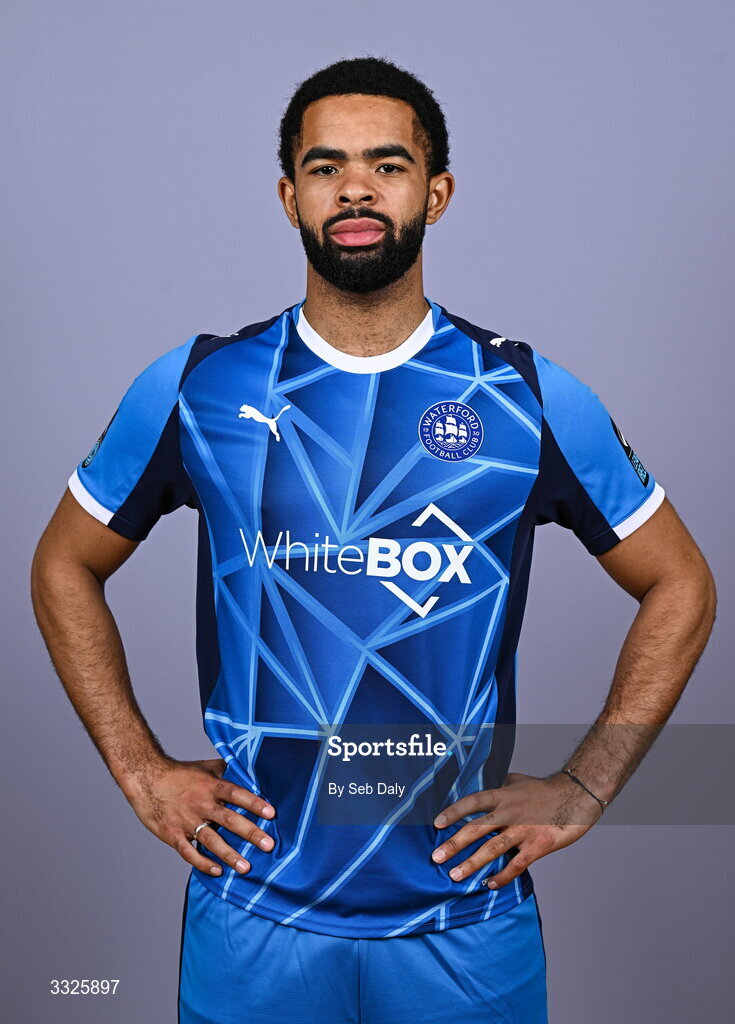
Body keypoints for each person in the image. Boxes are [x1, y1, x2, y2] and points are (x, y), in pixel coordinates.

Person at [31, 56, 717, 1024]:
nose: (355, 185)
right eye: (326, 166)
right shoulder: (197, 385)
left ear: (435, 193)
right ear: (289, 196)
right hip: (252, 914)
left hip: (465, 922)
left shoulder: (526, 397)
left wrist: (586, 783)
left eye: (388, 165)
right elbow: (63, 563)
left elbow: (681, 582)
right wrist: (140, 769)